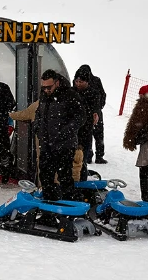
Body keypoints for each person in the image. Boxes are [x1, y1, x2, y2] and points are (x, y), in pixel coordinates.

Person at [34, 69, 85, 201]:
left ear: (57, 83)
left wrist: (65, 132)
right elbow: (39, 113)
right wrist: (37, 128)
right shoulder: (44, 94)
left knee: (65, 177)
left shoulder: (70, 95)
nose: (46, 90)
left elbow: (81, 117)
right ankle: (49, 204)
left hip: (64, 145)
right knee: (45, 176)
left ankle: (67, 208)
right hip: (46, 143)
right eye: (43, 87)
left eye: (49, 87)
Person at [74, 64, 107, 164]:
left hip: (94, 113)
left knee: (93, 135)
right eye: (77, 81)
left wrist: (97, 109)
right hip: (93, 114)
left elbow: (101, 96)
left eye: (81, 81)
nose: (78, 84)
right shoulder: (75, 88)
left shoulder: (94, 84)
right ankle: (98, 156)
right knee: (97, 135)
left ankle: (90, 156)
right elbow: (103, 95)